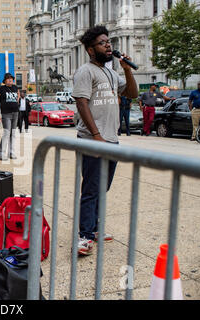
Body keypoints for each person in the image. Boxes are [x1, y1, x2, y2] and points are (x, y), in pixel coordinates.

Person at [72, 25, 138, 256]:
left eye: (108, 42)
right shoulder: (85, 71)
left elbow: (131, 94)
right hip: (92, 140)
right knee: (91, 189)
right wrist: (97, 136)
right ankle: (85, 236)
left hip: (111, 140)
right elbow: (81, 104)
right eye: (103, 43)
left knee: (103, 188)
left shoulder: (111, 73)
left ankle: (96, 228)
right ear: (91, 50)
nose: (108, 45)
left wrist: (127, 70)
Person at [0, 72, 20, 160]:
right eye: (8, 78)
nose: (10, 80)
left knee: (13, 133)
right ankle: (1, 153)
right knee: (6, 133)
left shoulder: (15, 87)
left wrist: (16, 103)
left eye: (11, 78)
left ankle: (11, 152)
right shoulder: (1, 89)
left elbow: (18, 96)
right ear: (5, 80)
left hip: (15, 113)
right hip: (6, 114)